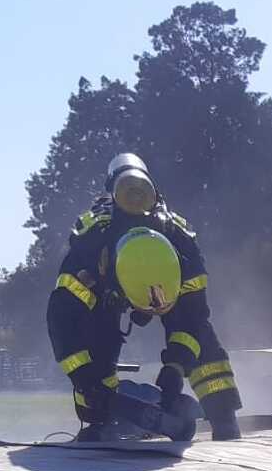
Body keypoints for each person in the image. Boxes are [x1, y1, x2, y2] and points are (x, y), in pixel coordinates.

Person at [47, 153, 243, 441]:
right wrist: (86, 381)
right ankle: (100, 421)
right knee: (96, 348)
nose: (150, 304)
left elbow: (192, 320)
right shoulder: (92, 247)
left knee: (205, 343)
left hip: (165, 293)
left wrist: (176, 368)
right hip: (105, 301)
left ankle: (224, 419)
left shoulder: (181, 242)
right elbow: (61, 321)